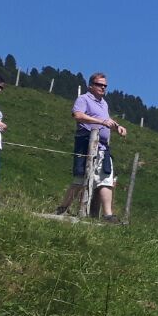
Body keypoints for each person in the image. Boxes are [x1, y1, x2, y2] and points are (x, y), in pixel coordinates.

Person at [55, 72, 127, 220]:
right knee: (80, 179)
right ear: (91, 85)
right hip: (86, 143)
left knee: (106, 179)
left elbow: (106, 119)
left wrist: (117, 126)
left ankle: (108, 215)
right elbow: (77, 115)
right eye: (100, 85)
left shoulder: (103, 103)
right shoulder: (83, 99)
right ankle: (63, 208)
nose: (103, 88)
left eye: (105, 86)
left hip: (102, 147)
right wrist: (100, 122)